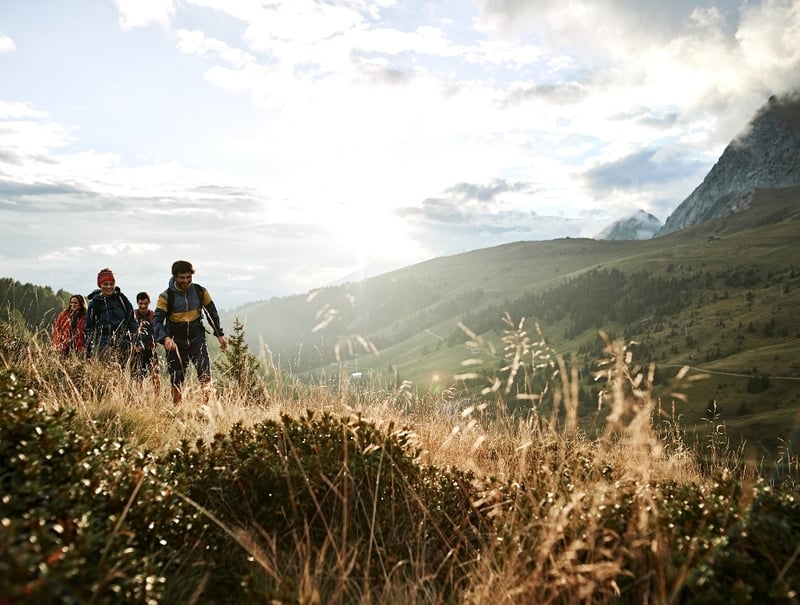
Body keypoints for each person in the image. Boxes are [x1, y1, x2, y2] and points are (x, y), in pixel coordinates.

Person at [152, 260, 228, 404]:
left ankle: (205, 410)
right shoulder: (166, 297)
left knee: (205, 376)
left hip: (197, 339)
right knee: (176, 379)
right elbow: (156, 321)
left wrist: (220, 334)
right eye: (182, 278)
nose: (186, 281)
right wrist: (165, 338)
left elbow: (212, 313)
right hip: (176, 342)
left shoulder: (200, 291)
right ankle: (177, 408)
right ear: (175, 277)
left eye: (189, 277)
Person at [84, 268, 143, 368]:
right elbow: (89, 328)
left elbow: (132, 321)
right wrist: (88, 351)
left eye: (111, 284)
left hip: (124, 343)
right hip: (103, 344)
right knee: (112, 371)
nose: (109, 287)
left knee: (121, 373)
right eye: (105, 284)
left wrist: (137, 340)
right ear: (100, 285)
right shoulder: (94, 304)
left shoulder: (121, 299)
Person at [132, 291, 160, 393]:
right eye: (141, 304)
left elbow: (158, 330)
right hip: (137, 351)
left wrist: (155, 342)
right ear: (137, 303)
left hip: (151, 350)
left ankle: (157, 397)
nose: (143, 306)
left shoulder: (153, 315)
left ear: (149, 303)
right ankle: (139, 397)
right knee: (138, 377)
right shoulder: (133, 315)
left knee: (155, 375)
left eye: (145, 304)